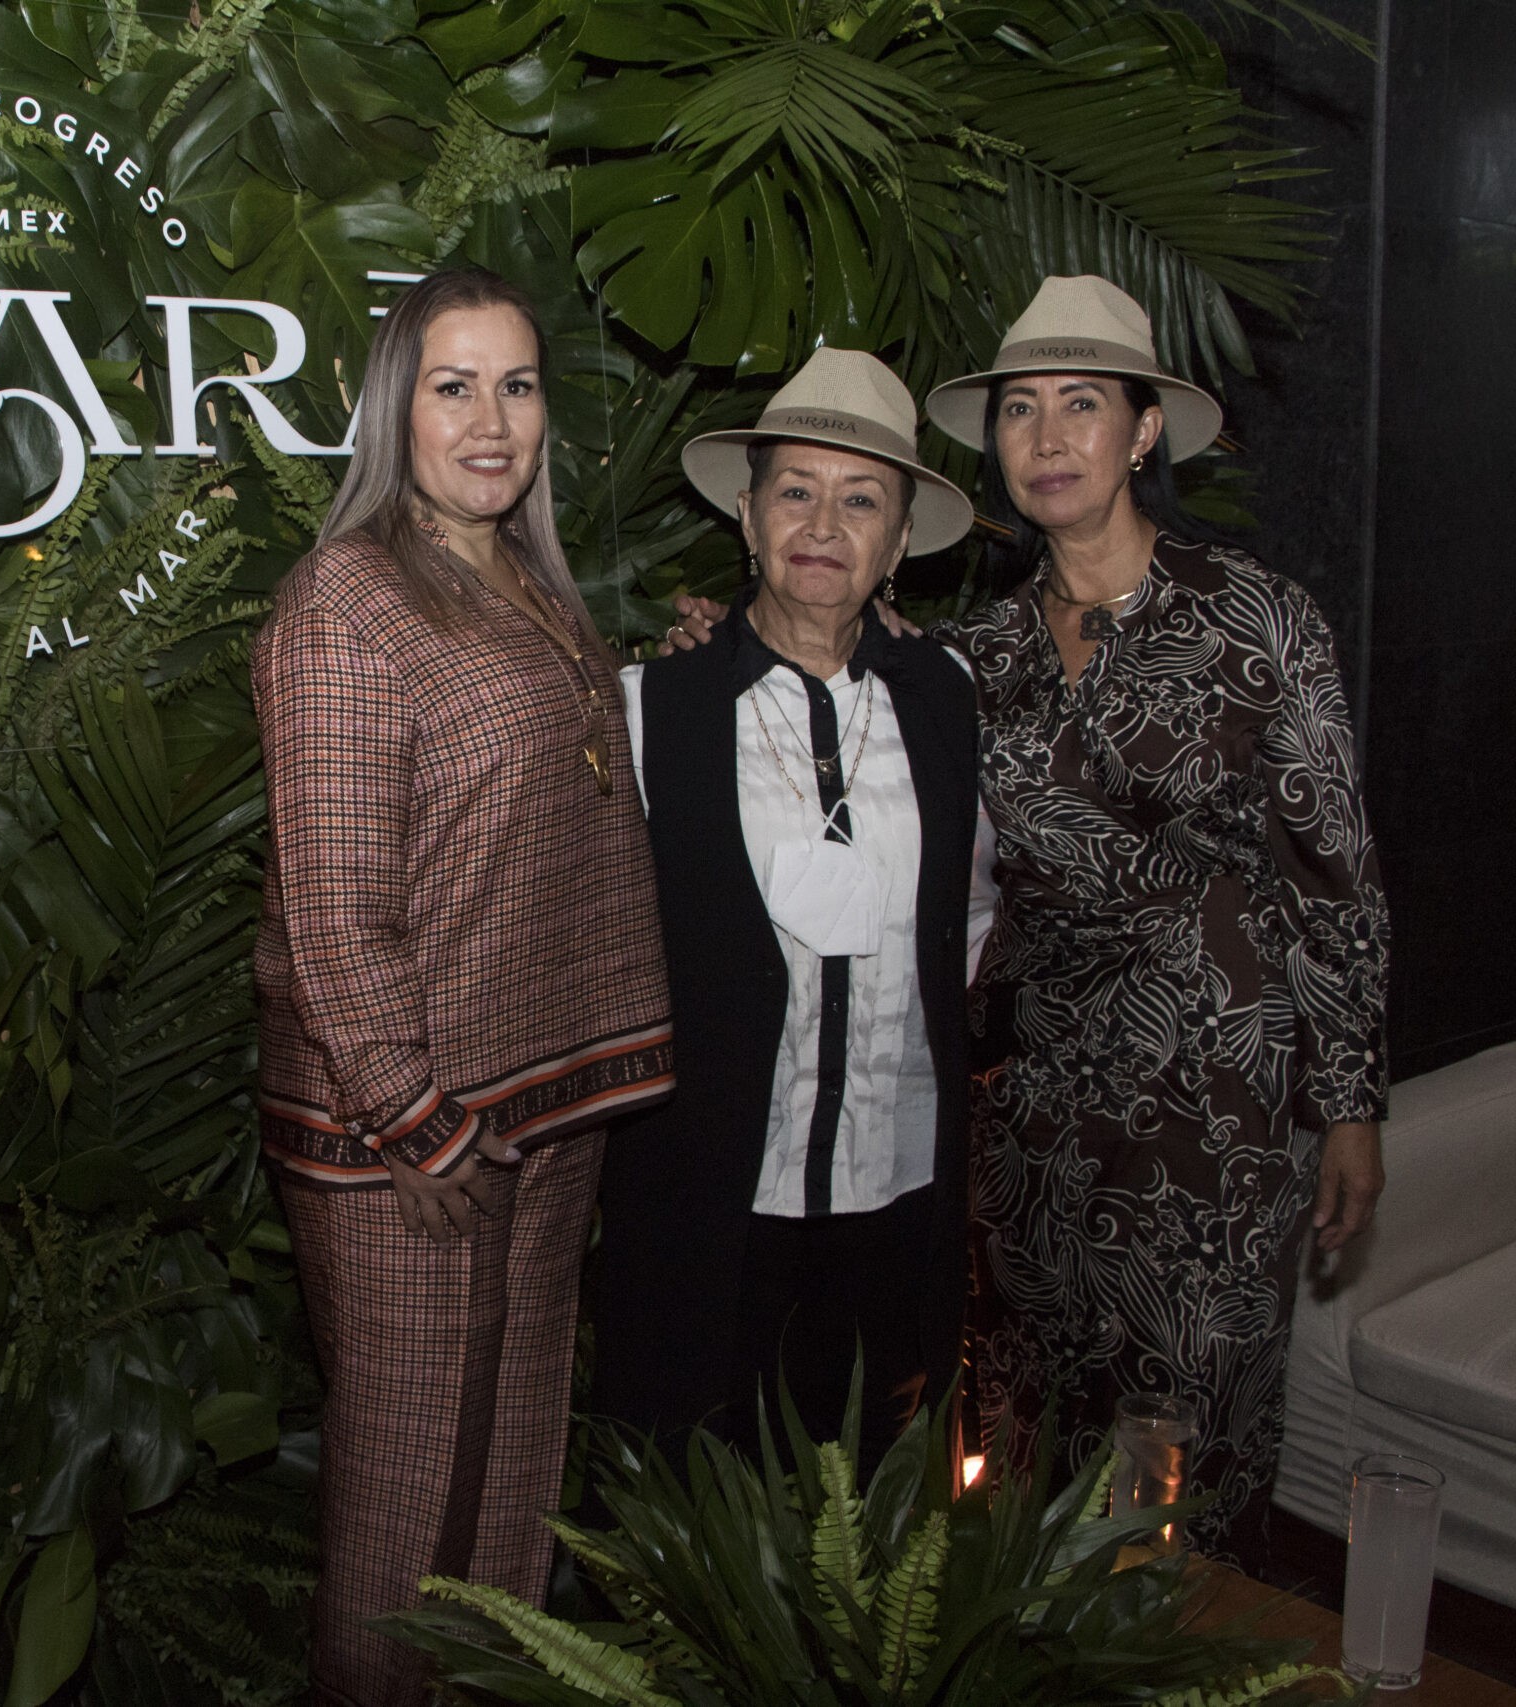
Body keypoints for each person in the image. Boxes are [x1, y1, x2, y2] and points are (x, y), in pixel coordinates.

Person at [250, 266, 674, 1707]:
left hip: (545, 1107)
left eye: (517, 384)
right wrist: (411, 1113)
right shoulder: (346, 602)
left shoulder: (529, 581)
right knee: (406, 1519)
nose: (491, 420)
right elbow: (331, 901)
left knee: (508, 1494)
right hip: (417, 1138)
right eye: (454, 386)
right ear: (396, 409)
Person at [921, 275, 1391, 1564]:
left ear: (1142, 433)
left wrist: (1349, 1102)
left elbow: (1333, 877)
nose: (1048, 436)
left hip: (1221, 1110)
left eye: (1083, 405)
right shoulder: (980, 653)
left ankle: (1156, 1648)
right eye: (1020, 409)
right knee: (1022, 1432)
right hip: (1035, 1115)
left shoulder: (1256, 620)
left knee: (1171, 1442)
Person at [589, 348, 993, 1475]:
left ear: (901, 541)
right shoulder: (649, 708)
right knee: (691, 1526)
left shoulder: (942, 700)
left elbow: (962, 917)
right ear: (749, 516)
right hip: (709, 1202)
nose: (824, 522)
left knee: (862, 1525)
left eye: (861, 499)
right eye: (795, 492)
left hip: (893, 1200)